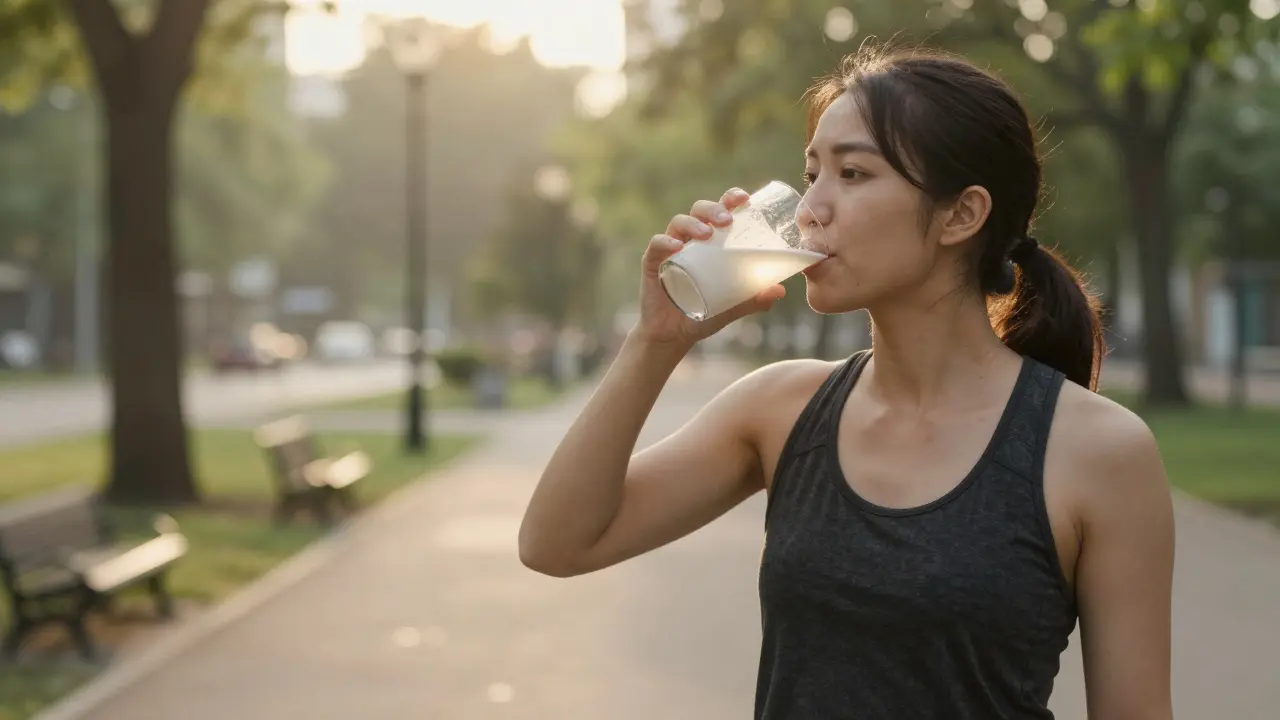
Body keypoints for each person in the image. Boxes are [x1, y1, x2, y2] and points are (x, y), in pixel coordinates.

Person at [519, 45, 1174, 720]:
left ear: (961, 215)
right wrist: (656, 341)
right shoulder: (780, 410)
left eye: (853, 173)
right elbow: (556, 543)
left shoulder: (1098, 452)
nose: (809, 209)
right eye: (812, 174)